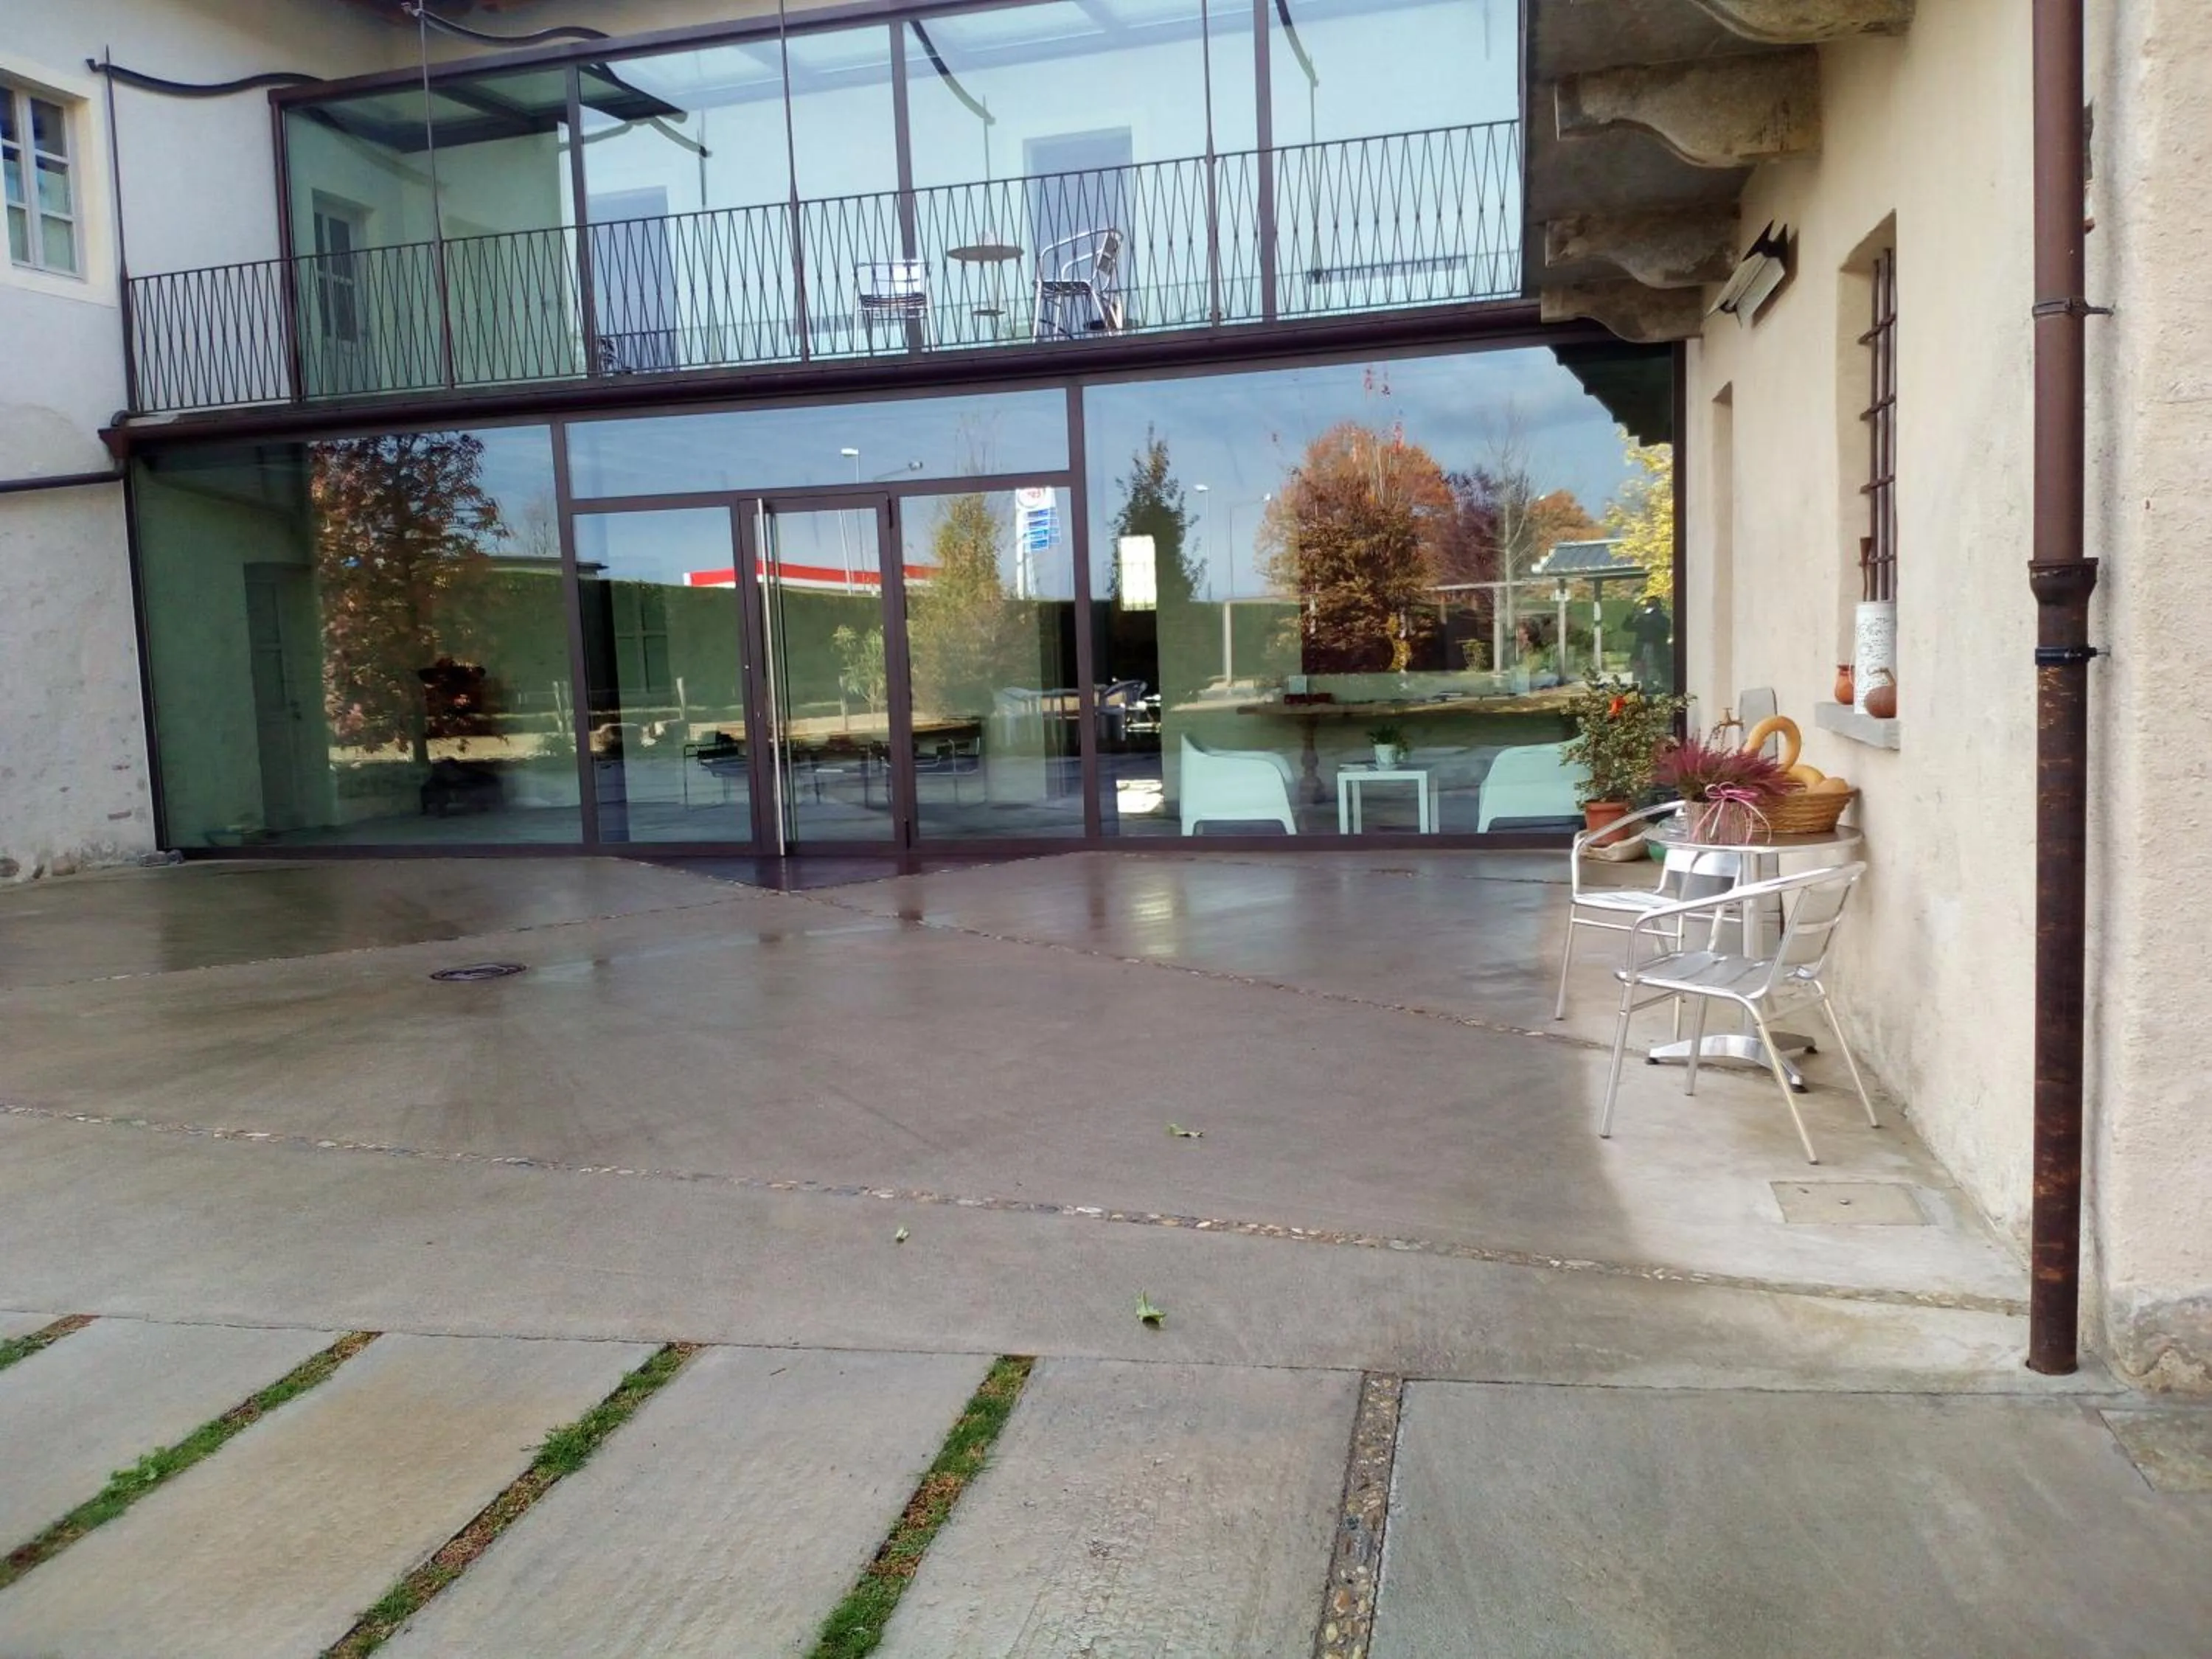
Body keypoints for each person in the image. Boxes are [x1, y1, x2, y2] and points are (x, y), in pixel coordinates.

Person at [1629, 593, 1672, 691]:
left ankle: (1655, 687)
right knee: (1641, 670)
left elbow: (1663, 631)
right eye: (1648, 605)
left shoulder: (1663, 619)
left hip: (1657, 648)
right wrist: (1631, 616)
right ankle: (1645, 687)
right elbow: (1627, 627)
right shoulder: (1642, 619)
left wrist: (1650, 619)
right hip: (1642, 648)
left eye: (1651, 605)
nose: (1649, 607)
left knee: (1654, 669)